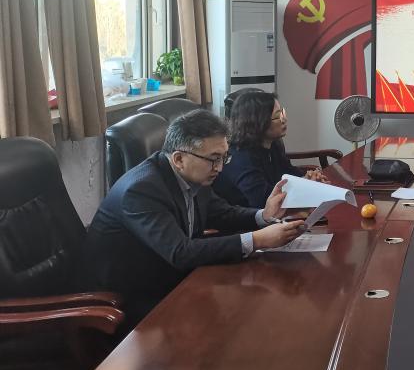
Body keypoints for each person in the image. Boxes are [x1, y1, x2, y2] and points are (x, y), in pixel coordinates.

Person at [85, 109, 304, 327]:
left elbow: (222, 213)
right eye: (214, 159)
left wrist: (264, 215)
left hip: (173, 278)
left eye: (224, 158)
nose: (220, 168)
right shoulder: (141, 190)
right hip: (130, 299)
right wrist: (257, 240)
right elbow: (180, 252)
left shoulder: (195, 174)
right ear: (179, 159)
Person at [215, 91, 325, 207]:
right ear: (256, 122)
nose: (284, 119)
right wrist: (305, 186)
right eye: (277, 116)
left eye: (282, 112)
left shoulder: (272, 144)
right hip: (249, 215)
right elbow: (262, 200)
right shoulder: (241, 158)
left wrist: (308, 178)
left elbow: (289, 173)